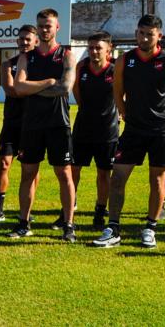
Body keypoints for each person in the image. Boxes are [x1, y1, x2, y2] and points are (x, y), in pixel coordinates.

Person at [93, 14, 165, 248]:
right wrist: (125, 113)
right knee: (117, 178)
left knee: (157, 180)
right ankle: (113, 227)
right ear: (136, 34)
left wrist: (158, 115)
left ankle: (150, 228)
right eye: (141, 33)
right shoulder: (125, 60)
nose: (144, 38)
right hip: (134, 130)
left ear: (159, 36)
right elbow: (117, 92)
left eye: (149, 34)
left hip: (162, 130)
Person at [10, 8, 77, 242]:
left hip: (58, 123)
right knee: (28, 173)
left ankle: (69, 225)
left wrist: (33, 87)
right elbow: (18, 88)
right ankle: (23, 223)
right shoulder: (26, 57)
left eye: (48, 25)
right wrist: (48, 82)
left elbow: (65, 88)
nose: (44, 29)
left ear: (57, 27)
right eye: (41, 25)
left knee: (64, 173)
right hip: (32, 124)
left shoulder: (66, 55)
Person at [0, 25, 38, 224]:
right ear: (17, 41)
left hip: (33, 125)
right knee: (4, 163)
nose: (24, 42)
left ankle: (27, 208)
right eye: (21, 39)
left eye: (28, 39)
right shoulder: (8, 64)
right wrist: (37, 87)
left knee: (30, 168)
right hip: (12, 124)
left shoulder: (41, 65)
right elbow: (11, 89)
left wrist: (26, 87)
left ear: (36, 41)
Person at [70, 31, 118, 228]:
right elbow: (76, 93)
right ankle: (69, 207)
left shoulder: (115, 70)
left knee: (103, 173)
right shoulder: (81, 68)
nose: (94, 51)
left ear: (109, 49)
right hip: (83, 127)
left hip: (107, 131)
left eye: (98, 47)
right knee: (73, 170)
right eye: (91, 48)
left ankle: (100, 211)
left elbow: (124, 94)